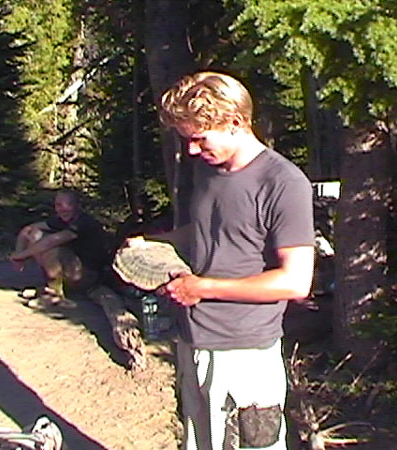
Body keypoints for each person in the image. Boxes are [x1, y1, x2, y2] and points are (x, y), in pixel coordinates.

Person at [134, 71, 315, 450]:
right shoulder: (207, 169)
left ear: (235, 122)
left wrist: (203, 288)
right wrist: (152, 243)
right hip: (192, 340)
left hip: (245, 354)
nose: (191, 150)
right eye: (186, 139)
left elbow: (296, 281)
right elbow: (209, 231)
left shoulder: (283, 183)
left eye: (200, 138)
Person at [10, 189, 109, 305]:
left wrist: (21, 256)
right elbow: (28, 229)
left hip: (88, 276)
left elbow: (52, 241)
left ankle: (54, 293)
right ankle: (52, 286)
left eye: (69, 204)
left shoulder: (84, 222)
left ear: (77, 206)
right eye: (59, 205)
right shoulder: (60, 220)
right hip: (71, 272)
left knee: (52, 249)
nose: (63, 209)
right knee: (35, 234)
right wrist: (18, 252)